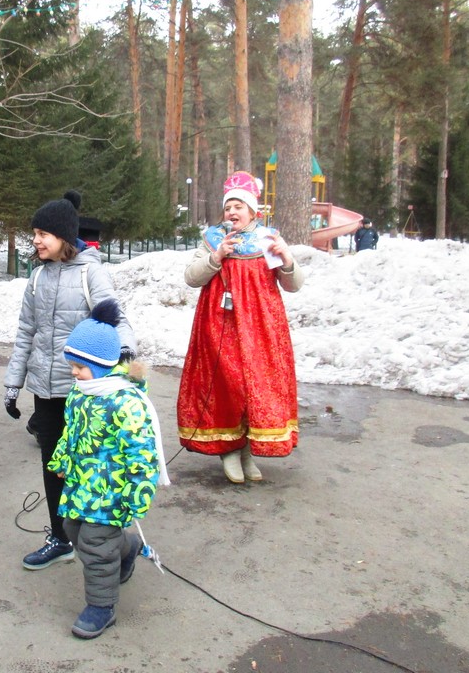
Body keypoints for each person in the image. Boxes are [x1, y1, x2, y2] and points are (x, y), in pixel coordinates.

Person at [4, 190, 137, 570]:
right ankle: (61, 539)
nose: (35, 240)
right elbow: (26, 331)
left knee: (92, 470)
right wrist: (13, 383)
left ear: (62, 236)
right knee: (53, 466)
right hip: (44, 391)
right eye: (34, 233)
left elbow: (116, 319)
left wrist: (125, 358)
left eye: (42, 234)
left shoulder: (90, 273)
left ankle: (114, 546)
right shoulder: (37, 277)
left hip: (84, 391)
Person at [49, 299, 168, 640]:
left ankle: (101, 607)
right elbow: (71, 432)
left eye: (80, 367)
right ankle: (128, 548)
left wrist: (137, 494)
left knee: (97, 545)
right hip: (82, 484)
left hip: (113, 489)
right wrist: (61, 460)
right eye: (72, 365)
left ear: (101, 365)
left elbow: (142, 455)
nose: (74, 372)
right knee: (72, 528)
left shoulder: (126, 402)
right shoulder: (81, 393)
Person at [176, 171, 305, 483]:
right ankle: (229, 448)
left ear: (252, 211)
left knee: (254, 385)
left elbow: (293, 285)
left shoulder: (267, 240)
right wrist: (216, 257)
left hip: (260, 327)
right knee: (228, 384)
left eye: (238, 207)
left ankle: (247, 448)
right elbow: (191, 278)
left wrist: (287, 260)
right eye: (228, 207)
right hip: (219, 325)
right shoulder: (213, 239)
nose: (232, 212)